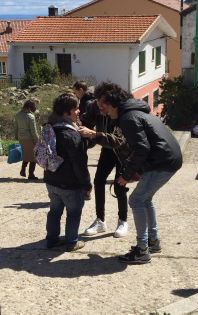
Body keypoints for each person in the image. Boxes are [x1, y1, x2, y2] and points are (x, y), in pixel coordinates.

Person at [94, 82, 183, 264]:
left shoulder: (128, 118)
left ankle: (142, 250)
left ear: (113, 102)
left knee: (136, 200)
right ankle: (153, 241)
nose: (99, 106)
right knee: (145, 199)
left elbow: (142, 149)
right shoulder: (135, 113)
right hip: (168, 159)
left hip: (162, 162)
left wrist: (126, 175)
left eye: (101, 102)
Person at [44, 93, 92, 252]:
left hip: (51, 180)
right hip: (70, 184)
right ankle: (72, 242)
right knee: (74, 212)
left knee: (54, 211)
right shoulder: (71, 135)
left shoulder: (49, 128)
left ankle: (51, 240)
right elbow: (79, 164)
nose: (78, 111)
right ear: (66, 113)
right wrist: (86, 184)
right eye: (75, 109)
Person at [78, 99, 129, 238]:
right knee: (98, 181)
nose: (100, 106)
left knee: (120, 185)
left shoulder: (121, 108)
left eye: (103, 103)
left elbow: (119, 139)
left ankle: (123, 221)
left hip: (123, 150)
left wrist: (94, 134)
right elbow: (86, 123)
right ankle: (100, 220)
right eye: (98, 102)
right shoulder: (94, 106)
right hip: (107, 149)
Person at [15, 99, 39, 180]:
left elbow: (16, 127)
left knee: (26, 154)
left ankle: (23, 170)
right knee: (33, 156)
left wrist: (16, 137)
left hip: (21, 138)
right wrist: (37, 140)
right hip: (29, 138)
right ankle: (31, 174)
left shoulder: (18, 115)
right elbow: (33, 130)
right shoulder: (30, 116)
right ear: (30, 107)